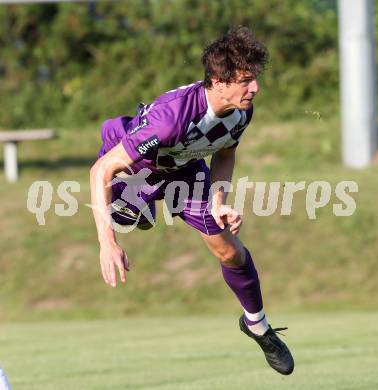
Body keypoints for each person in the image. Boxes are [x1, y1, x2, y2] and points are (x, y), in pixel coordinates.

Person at [90, 26, 294, 375]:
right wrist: (106, 243)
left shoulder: (242, 113)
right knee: (120, 209)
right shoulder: (169, 120)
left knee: (229, 250)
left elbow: (225, 154)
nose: (255, 88)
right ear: (217, 80)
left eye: (255, 79)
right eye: (246, 80)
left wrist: (219, 201)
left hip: (184, 170)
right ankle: (137, 207)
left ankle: (257, 325)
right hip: (137, 166)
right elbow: (100, 171)